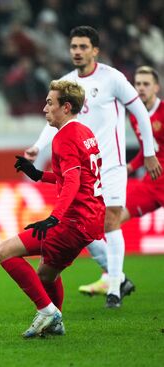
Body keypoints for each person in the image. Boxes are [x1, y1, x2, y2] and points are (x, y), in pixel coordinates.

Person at [24, 26, 162, 308]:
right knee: (83, 225)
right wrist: (39, 146)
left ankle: (113, 290)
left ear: (95, 50)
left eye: (83, 47)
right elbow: (53, 119)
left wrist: (148, 152)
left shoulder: (113, 78)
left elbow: (139, 112)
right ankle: (119, 278)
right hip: (81, 167)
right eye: (73, 46)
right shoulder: (65, 83)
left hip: (110, 165)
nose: (77, 51)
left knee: (109, 220)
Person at [1, 80, 105, 338]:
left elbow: (73, 180)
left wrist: (55, 217)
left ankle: (48, 312)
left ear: (66, 107)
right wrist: (38, 175)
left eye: (50, 103)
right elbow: (76, 175)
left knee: (6, 252)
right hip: (90, 217)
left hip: (74, 220)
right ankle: (54, 320)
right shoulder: (83, 132)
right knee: (47, 274)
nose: (44, 108)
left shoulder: (64, 137)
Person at [79, 66, 164, 295]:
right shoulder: (137, 117)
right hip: (152, 185)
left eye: (146, 84)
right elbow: (149, 151)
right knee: (109, 222)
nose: (141, 88)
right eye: (138, 84)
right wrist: (131, 166)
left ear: (156, 87)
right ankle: (112, 278)